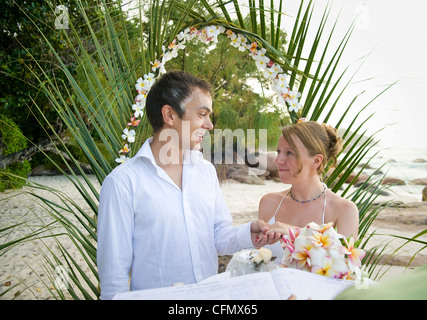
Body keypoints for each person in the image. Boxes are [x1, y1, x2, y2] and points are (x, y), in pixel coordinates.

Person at [97, 70, 272, 300]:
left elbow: (219, 236)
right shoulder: (122, 183)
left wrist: (247, 233)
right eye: (202, 114)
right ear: (169, 114)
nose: (209, 125)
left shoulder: (205, 172)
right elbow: (114, 275)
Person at [258, 120, 359, 259]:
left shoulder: (344, 210)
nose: (278, 160)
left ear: (316, 161)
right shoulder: (269, 203)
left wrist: (296, 233)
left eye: (289, 153)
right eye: (278, 151)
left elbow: (345, 266)